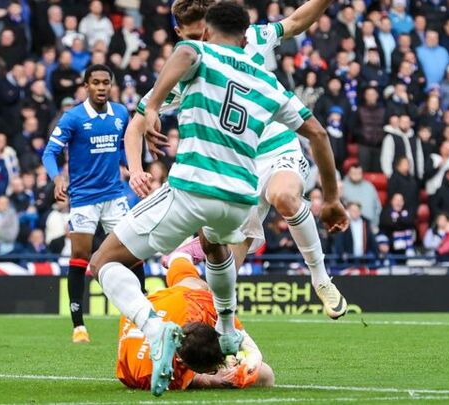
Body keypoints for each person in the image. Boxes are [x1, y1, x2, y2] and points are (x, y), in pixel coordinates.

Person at [88, 2, 347, 396]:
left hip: (195, 188)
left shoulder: (196, 54)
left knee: (104, 261)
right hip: (240, 197)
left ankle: (155, 329)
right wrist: (331, 199)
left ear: (207, 31)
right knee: (215, 246)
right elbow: (320, 135)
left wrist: (154, 104)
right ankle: (226, 329)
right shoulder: (267, 79)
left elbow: (184, 54)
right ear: (244, 37)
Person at [131, 0, 349, 319]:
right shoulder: (187, 71)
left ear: (211, 28)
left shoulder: (250, 41)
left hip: (277, 146)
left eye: (202, 33)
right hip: (239, 166)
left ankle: (320, 278)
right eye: (192, 37)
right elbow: (136, 123)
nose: (200, 41)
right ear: (181, 34)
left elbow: (295, 21)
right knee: (225, 272)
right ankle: (227, 333)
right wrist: (136, 168)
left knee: (284, 196)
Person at [41, 64, 141, 344]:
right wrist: (57, 178)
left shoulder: (120, 113)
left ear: (111, 85)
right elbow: (50, 153)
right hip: (84, 198)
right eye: (95, 82)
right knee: (80, 255)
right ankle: (78, 326)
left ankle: (140, 320)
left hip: (114, 195)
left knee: (133, 252)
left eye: (105, 82)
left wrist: (133, 168)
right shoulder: (73, 118)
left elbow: (122, 147)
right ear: (86, 86)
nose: (101, 87)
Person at [117, 256, 273, 391]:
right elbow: (267, 376)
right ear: (180, 360)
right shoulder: (155, 377)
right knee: (265, 375)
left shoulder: (204, 307)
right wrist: (215, 379)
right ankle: (180, 257)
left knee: (196, 284)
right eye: (213, 370)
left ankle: (180, 256)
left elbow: (250, 350)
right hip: (143, 308)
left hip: (159, 304)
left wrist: (251, 356)